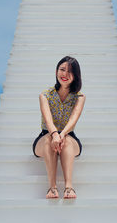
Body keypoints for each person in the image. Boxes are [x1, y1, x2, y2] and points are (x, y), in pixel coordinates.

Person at [32, 56, 86, 199]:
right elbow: (48, 119)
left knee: (66, 140)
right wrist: (55, 134)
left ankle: (69, 187)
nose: (65, 74)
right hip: (46, 135)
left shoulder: (79, 97)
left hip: (69, 136)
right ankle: (52, 188)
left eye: (70, 71)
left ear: (76, 76)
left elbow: (74, 119)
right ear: (56, 71)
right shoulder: (45, 95)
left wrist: (62, 135)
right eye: (62, 70)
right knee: (50, 139)